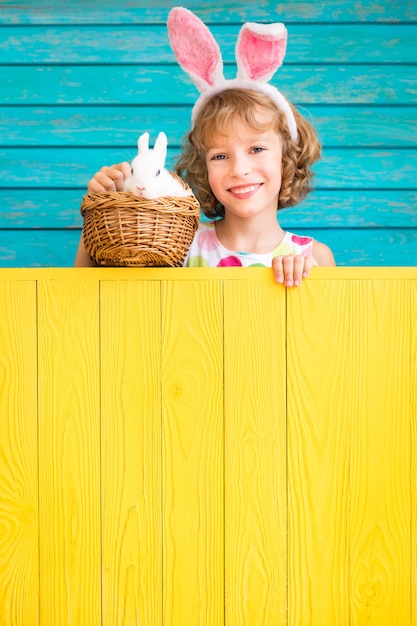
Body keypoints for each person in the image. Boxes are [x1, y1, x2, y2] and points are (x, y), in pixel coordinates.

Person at [74, 8, 335, 285]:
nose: (239, 169)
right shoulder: (177, 245)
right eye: (220, 155)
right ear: (203, 168)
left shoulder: (314, 258)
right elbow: (90, 294)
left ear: (287, 158)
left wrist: (309, 280)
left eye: (256, 149)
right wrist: (101, 208)